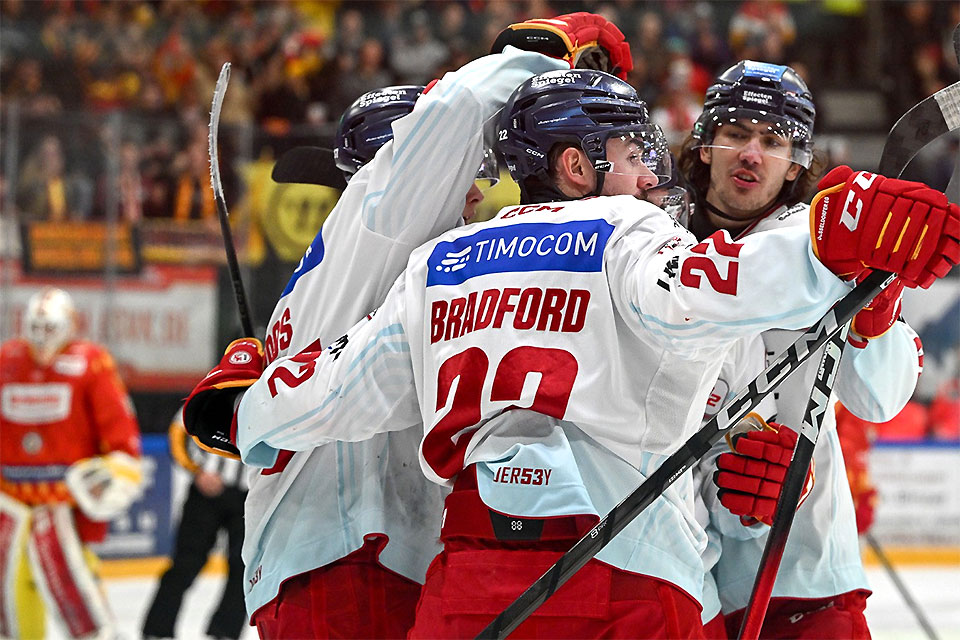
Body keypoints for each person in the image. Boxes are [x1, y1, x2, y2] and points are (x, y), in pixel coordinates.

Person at [186, 66, 958, 638]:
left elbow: (339, 383)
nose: (650, 170)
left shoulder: (439, 262)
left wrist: (249, 406)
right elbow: (716, 286)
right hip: (629, 569)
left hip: (473, 576)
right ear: (577, 165)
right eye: (632, 152)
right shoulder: (633, 232)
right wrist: (833, 236)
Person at [191, 13, 631, 638]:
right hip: (356, 562)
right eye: (468, 171)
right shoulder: (382, 224)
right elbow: (455, 110)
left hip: (336, 561)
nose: (477, 191)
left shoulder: (356, 267)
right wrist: (544, 57)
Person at [677, 60, 929, 638]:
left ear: (795, 164)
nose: (752, 153)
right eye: (736, 133)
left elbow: (879, 399)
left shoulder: (826, 251)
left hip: (803, 573)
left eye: (773, 141)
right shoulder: (656, 247)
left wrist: (875, 318)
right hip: (684, 578)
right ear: (706, 143)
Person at [0, 287, 143, 639]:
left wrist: (117, 470)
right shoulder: (6, 360)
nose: (42, 337)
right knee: (11, 617)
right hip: (10, 509)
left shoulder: (91, 363)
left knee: (84, 614)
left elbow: (120, 432)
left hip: (66, 512)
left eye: (50, 327)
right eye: (36, 327)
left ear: (70, 325)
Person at [141, 406, 247, 640]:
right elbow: (179, 429)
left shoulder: (275, 391)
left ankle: (224, 633)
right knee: (185, 562)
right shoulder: (216, 389)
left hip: (250, 498)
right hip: (205, 495)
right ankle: (157, 631)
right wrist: (197, 470)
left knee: (244, 567)